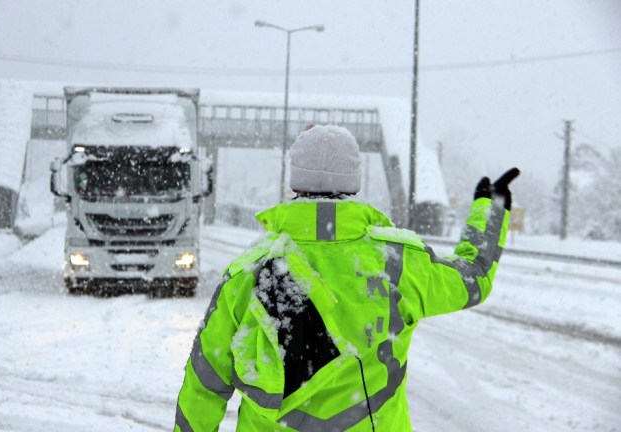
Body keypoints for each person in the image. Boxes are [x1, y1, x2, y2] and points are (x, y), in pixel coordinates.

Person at [174, 124, 519, 431]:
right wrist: (490, 209)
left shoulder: (247, 272)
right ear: (354, 182)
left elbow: (204, 384)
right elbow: (473, 279)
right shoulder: (397, 262)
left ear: (295, 181)